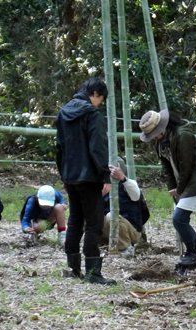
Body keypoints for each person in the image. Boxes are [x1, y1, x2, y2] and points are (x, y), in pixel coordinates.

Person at [56, 77, 115, 285]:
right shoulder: (92, 112)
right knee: (94, 223)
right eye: (101, 99)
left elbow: (59, 148)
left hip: (70, 175)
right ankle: (93, 272)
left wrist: (64, 175)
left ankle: (73, 267)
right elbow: (97, 147)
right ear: (96, 94)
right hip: (89, 176)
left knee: (75, 220)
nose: (100, 103)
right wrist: (104, 175)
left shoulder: (63, 112)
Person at [138, 109, 196, 268]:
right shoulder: (161, 141)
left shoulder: (182, 135)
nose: (153, 138)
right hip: (184, 182)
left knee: (178, 219)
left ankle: (194, 253)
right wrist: (172, 187)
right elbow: (166, 167)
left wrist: (179, 188)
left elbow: (186, 166)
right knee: (181, 219)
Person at [102, 157, 148, 255]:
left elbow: (136, 196)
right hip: (109, 230)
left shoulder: (129, 184)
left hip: (130, 230)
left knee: (112, 216)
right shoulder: (103, 186)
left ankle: (125, 248)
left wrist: (122, 178)